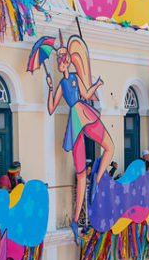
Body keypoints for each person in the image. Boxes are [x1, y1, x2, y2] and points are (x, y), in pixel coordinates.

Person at [43, 33, 116, 241]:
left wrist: (98, 85)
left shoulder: (74, 78)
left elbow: (86, 94)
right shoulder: (62, 85)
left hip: (82, 114)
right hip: (77, 118)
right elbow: (51, 107)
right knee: (80, 174)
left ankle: (97, 181)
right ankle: (76, 220)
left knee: (109, 147)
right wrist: (49, 87)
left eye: (63, 58)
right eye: (60, 58)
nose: (62, 61)